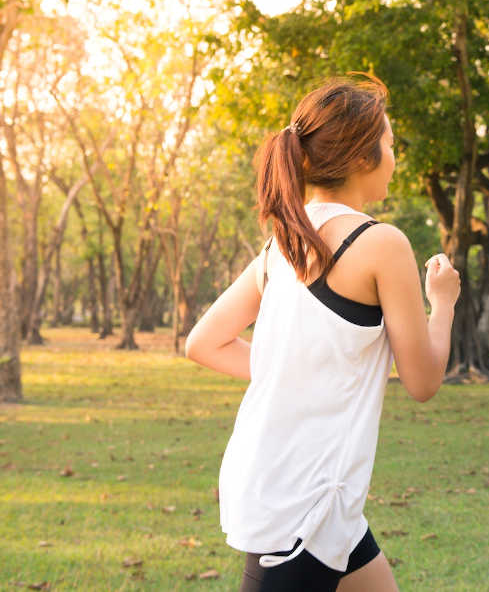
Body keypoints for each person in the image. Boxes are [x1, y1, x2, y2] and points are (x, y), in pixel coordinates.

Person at [185, 73, 460, 592]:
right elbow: (422, 381)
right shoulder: (381, 243)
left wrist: (295, 371)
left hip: (304, 491)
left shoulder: (280, 246)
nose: (395, 158)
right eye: (391, 144)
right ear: (362, 156)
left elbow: (204, 342)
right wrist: (441, 305)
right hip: (302, 505)